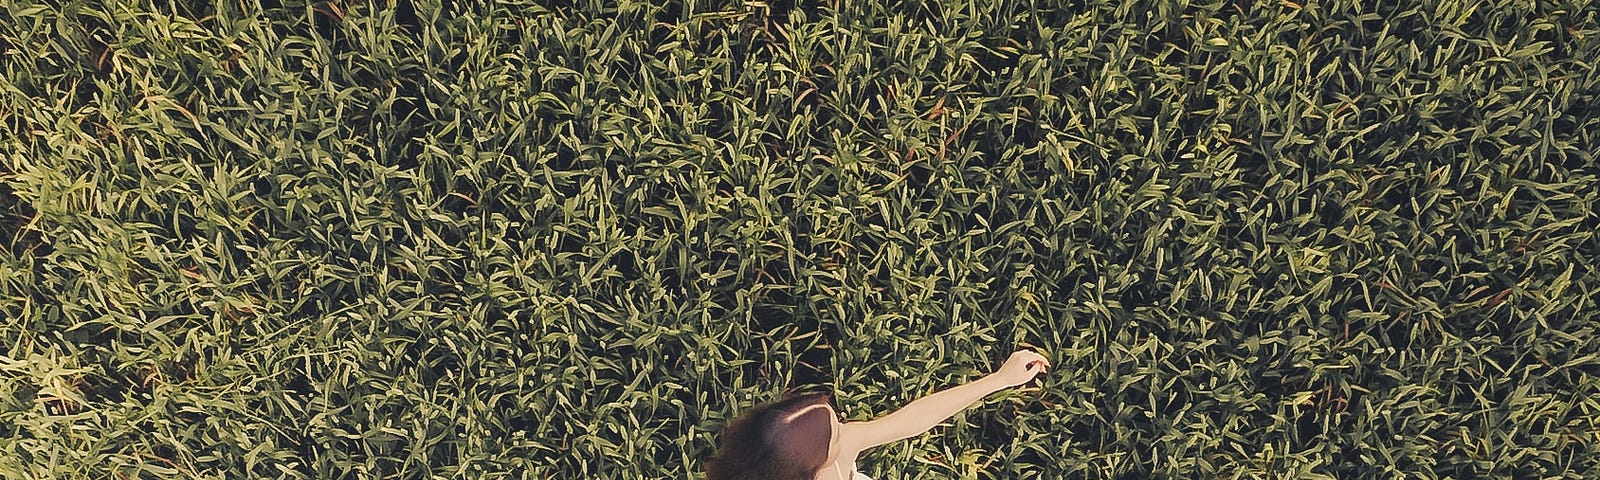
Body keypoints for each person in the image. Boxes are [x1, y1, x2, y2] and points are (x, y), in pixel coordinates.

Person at [704, 349, 1052, 480]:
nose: (845, 427)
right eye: (837, 432)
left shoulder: (832, 455)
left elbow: (911, 420)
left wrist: (999, 379)